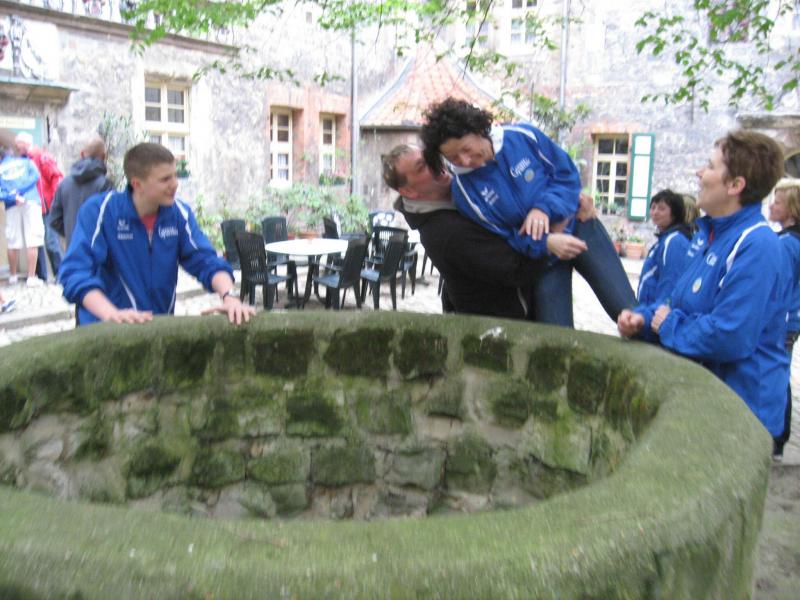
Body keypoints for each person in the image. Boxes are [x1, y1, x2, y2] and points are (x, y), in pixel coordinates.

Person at [618, 131, 790, 451]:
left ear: (735, 185)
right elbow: (676, 303)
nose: (699, 173)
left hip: (740, 412)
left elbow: (730, 335)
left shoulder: (757, 244)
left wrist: (666, 325)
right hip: (710, 398)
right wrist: (642, 320)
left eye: (710, 166)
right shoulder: (707, 235)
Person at [419, 98, 636, 326]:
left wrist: (543, 208)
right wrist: (547, 242)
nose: (464, 160)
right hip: (544, 258)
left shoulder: (522, 137)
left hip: (580, 225)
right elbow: (507, 239)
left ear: (478, 130)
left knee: (628, 311)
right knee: (556, 336)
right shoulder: (465, 192)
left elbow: (567, 176)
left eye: (465, 149)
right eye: (453, 157)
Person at [59, 142, 254, 326]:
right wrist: (112, 314)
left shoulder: (179, 214)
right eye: (165, 179)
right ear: (137, 184)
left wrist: (229, 297)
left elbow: (205, 260)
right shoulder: (100, 211)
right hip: (105, 331)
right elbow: (75, 272)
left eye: (175, 175)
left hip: (156, 329)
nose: (175, 184)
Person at [769, 177, 800, 458]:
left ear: (791, 209)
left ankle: (777, 437)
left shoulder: (787, 243)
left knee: (776, 376)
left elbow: (780, 287)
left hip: (783, 321)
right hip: (791, 319)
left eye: (777, 202)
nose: (771, 206)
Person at [15, 132, 64, 281]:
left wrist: (55, 201)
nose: (16, 147)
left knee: (51, 241)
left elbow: (56, 178)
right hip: (35, 205)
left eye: (18, 144)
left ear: (25, 143)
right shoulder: (25, 160)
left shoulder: (42, 157)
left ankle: (61, 275)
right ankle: (41, 276)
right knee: (36, 242)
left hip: (47, 206)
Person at [50, 136, 114, 248]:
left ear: (82, 154)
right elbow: (112, 221)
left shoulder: (64, 184)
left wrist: (72, 233)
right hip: (98, 250)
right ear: (104, 156)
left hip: (73, 249)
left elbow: (54, 219)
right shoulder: (105, 185)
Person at [0, 131, 44, 287]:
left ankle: (13, 276)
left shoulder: (1, 169)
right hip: (30, 200)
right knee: (33, 239)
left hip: (12, 204)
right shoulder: (26, 162)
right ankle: (31, 277)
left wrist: (13, 196)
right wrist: (21, 192)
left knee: (13, 240)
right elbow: (35, 176)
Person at [637, 189, 693, 307]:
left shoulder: (674, 241)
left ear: (674, 213)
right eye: (653, 208)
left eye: (661, 209)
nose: (655, 212)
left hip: (656, 312)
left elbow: (670, 284)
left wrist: (655, 312)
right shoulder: (664, 239)